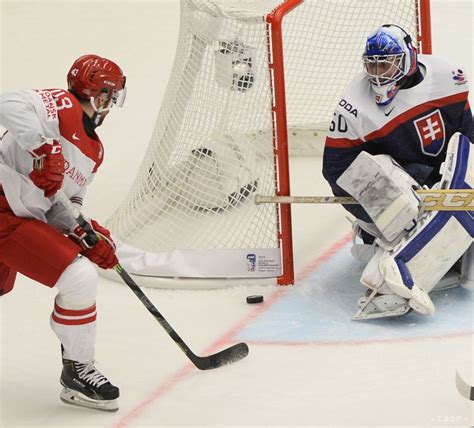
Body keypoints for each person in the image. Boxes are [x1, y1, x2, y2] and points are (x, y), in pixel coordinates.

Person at [0, 54, 126, 411]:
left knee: (80, 273)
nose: (110, 104)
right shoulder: (62, 106)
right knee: (79, 278)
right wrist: (42, 146)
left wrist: (83, 230)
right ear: (99, 95)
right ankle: (78, 370)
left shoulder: (95, 152)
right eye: (110, 95)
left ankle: (77, 371)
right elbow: (6, 102)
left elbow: (60, 203)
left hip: (17, 218)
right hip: (4, 209)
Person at [322, 24, 473, 320]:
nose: (378, 73)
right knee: (402, 208)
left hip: (436, 176)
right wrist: (383, 214)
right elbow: (335, 169)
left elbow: (467, 136)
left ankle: (445, 251)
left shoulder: (449, 76)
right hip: (395, 184)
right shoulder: (353, 107)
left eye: (386, 63)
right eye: (372, 64)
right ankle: (385, 258)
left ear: (407, 59)